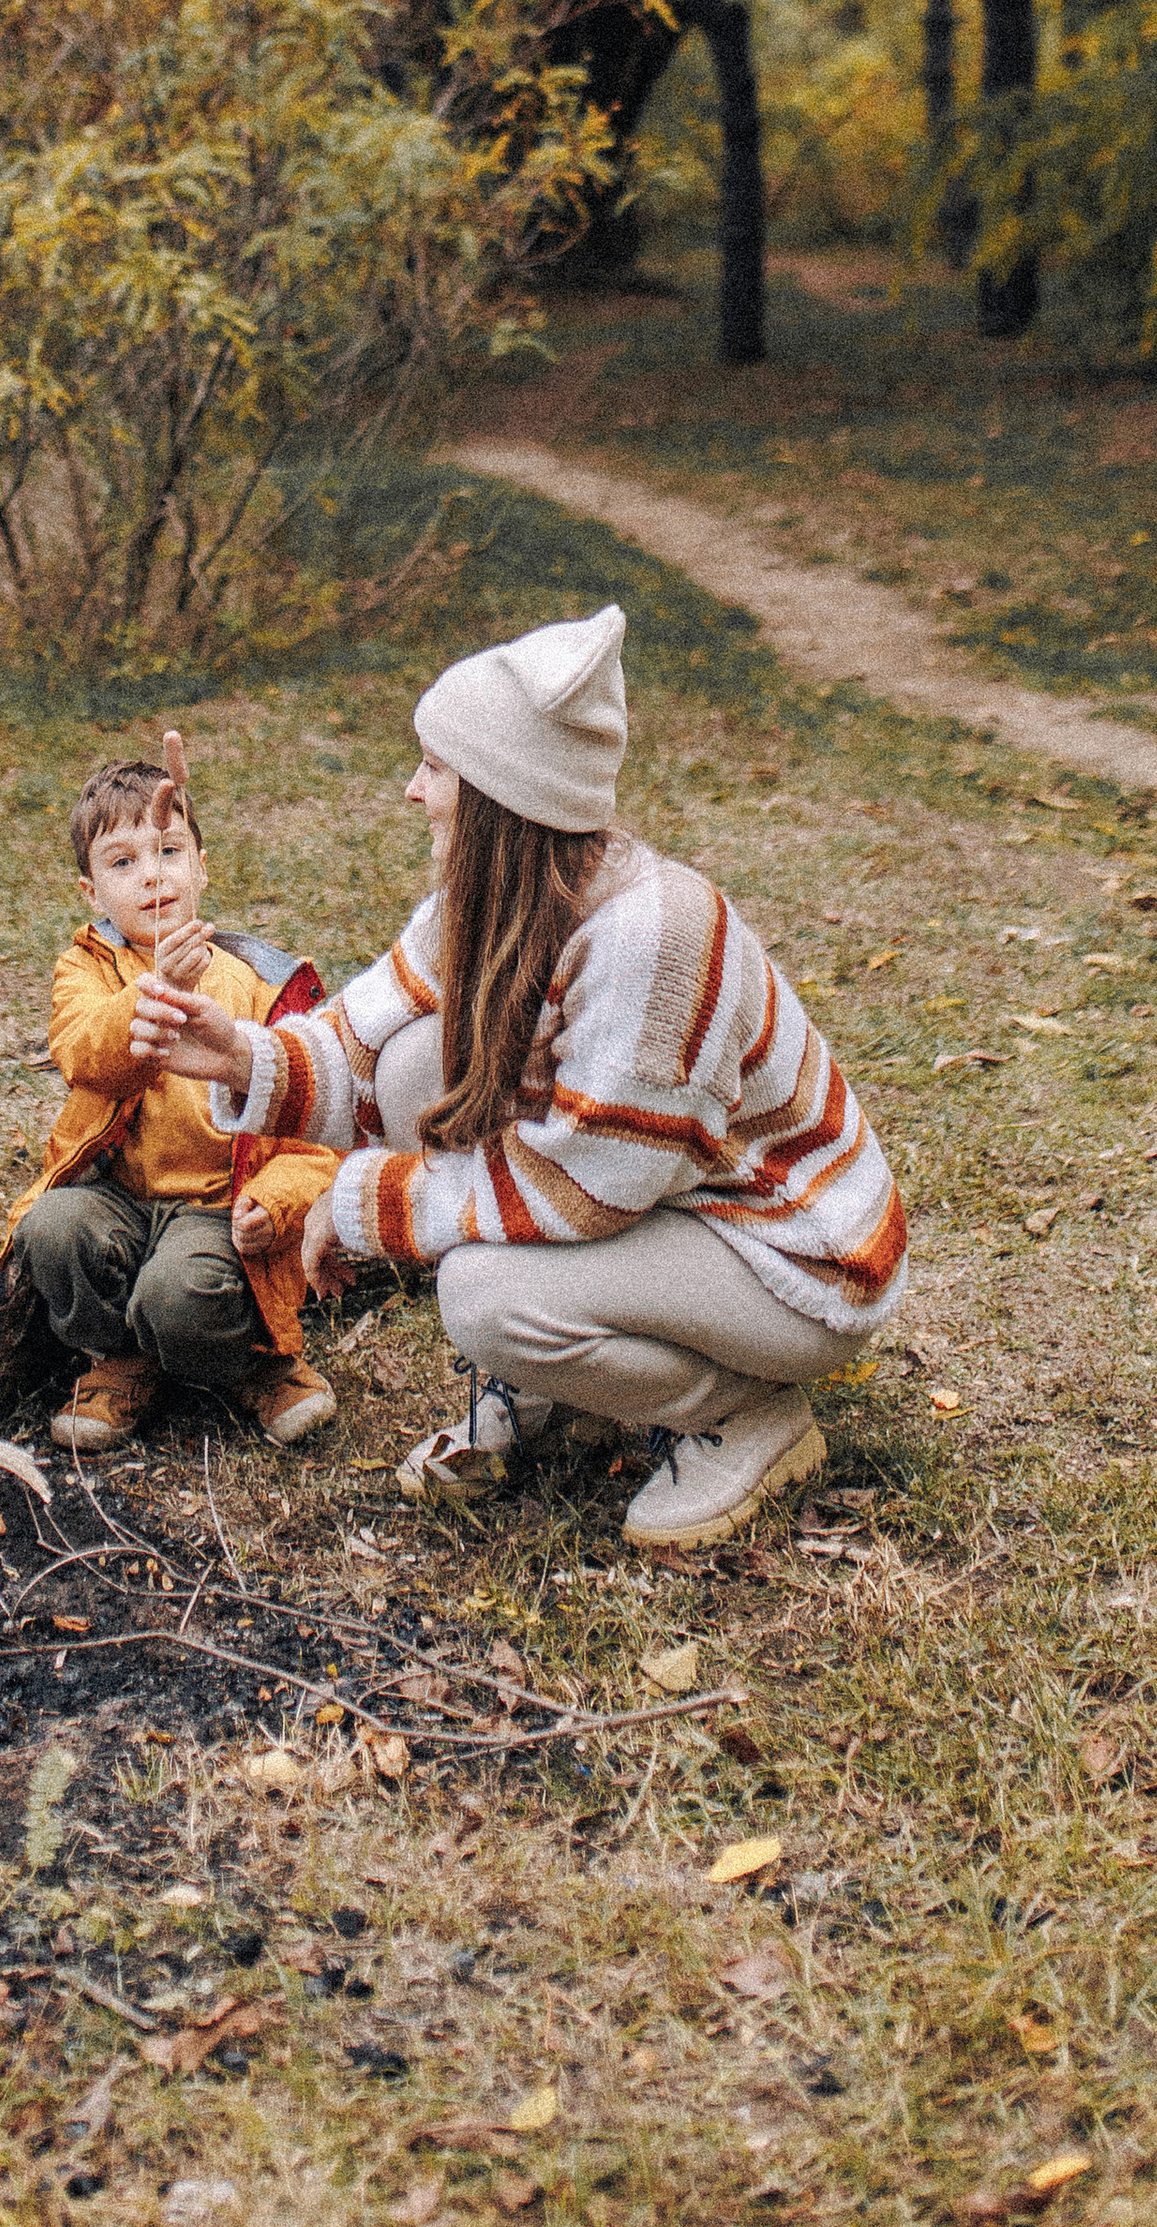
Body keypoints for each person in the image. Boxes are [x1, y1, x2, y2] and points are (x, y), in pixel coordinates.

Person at [131, 604, 908, 1554]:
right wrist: (243, 1055)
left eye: (435, 768)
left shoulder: (650, 938)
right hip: (663, 1198)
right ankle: (552, 1383)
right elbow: (368, 1043)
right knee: (426, 1059)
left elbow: (583, 1188)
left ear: (502, 793)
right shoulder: (487, 901)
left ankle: (741, 1416)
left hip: (790, 1255)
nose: (411, 791)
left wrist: (362, 1203)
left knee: (485, 1297)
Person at [8, 746, 341, 1455]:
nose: (151, 874)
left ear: (202, 866)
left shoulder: (261, 986)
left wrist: (274, 1203)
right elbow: (85, 1051)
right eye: (122, 862)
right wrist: (151, 991)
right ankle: (119, 1356)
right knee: (52, 1229)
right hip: (121, 1195)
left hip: (217, 1205)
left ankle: (255, 1364)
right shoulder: (88, 969)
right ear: (91, 892)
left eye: (168, 850)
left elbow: (312, 1133)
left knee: (180, 1297)